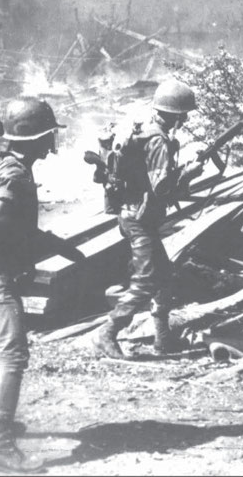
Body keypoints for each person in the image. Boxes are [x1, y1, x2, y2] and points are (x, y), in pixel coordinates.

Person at [0, 97, 66, 472]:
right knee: (13, 353)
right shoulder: (15, 173)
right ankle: (0, 444)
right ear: (34, 138)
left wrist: (47, 242)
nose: (50, 143)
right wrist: (34, 243)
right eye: (47, 136)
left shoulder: (1, 162)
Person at [92, 79, 204, 359]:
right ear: (176, 114)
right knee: (146, 280)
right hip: (138, 219)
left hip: (138, 216)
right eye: (184, 114)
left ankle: (163, 340)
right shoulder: (159, 140)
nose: (186, 118)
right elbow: (162, 187)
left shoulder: (149, 132)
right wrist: (190, 172)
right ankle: (107, 332)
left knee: (164, 277)